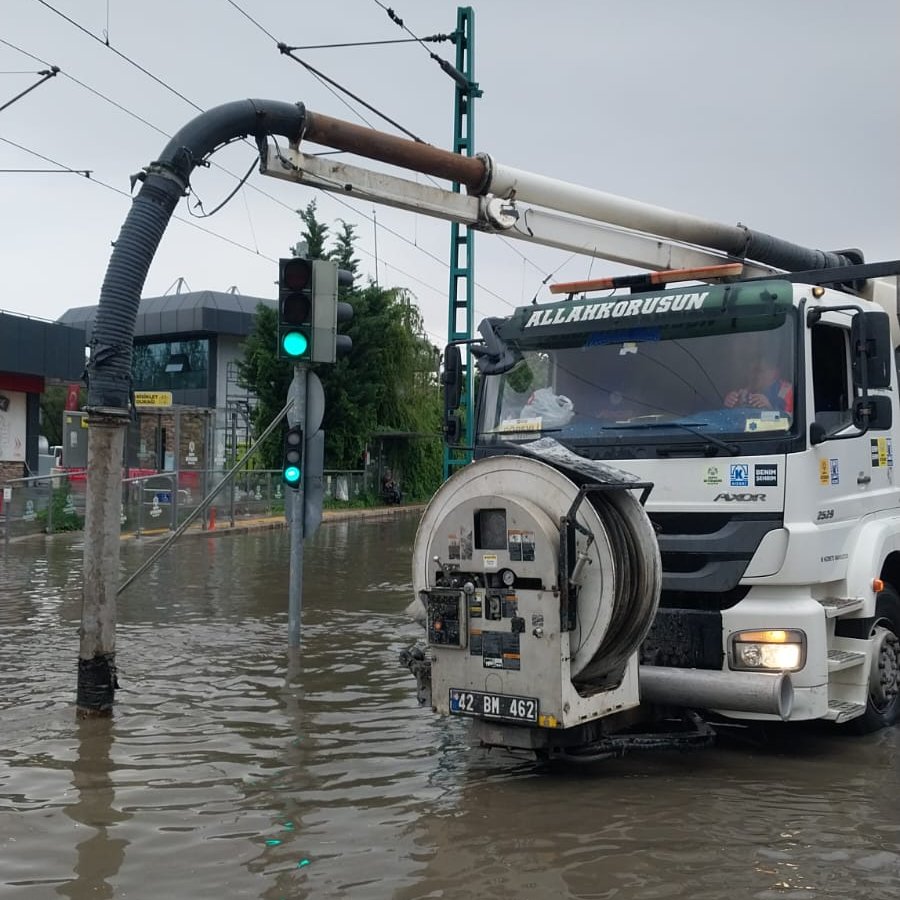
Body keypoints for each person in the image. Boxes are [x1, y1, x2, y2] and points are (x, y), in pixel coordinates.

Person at [724, 357, 793, 414]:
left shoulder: (788, 392)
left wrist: (770, 409)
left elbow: (789, 421)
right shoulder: (743, 391)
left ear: (774, 373)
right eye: (751, 371)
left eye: (758, 370)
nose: (754, 375)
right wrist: (730, 404)